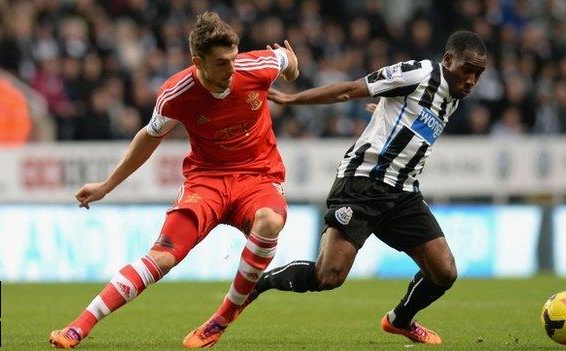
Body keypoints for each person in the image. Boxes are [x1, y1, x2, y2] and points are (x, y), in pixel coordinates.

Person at [49, 11, 299, 349]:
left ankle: (222, 318)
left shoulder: (256, 66)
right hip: (206, 181)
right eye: (222, 63)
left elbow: (287, 63)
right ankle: (79, 326)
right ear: (198, 61)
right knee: (162, 257)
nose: (232, 69)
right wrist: (107, 185)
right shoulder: (175, 93)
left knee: (270, 221)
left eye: (234, 58)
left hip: (258, 177)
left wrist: (292, 66)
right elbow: (149, 138)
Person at [245, 31, 487, 345]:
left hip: (403, 194)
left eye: (478, 74)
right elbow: (349, 90)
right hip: (363, 183)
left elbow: (406, 119)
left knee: (445, 272)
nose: (471, 80)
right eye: (467, 70)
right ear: (448, 60)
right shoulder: (419, 72)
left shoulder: (452, 98)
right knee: (328, 276)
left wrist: (385, 116)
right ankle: (259, 283)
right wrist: (292, 99)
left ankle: (400, 320)